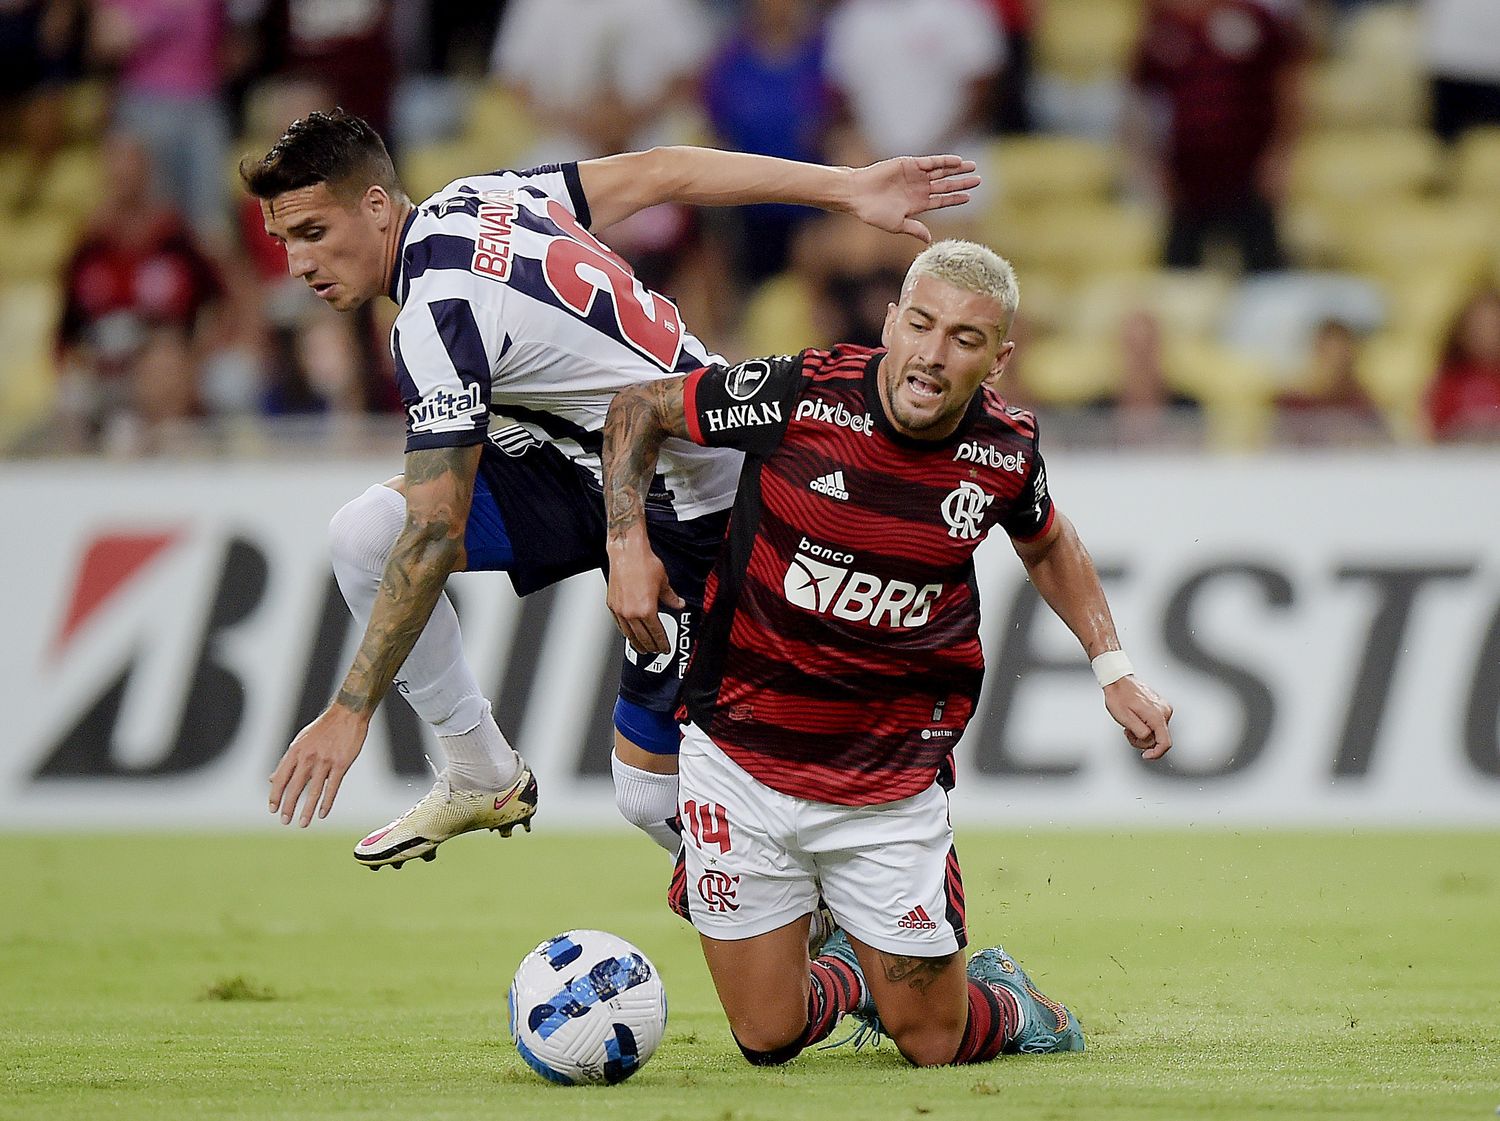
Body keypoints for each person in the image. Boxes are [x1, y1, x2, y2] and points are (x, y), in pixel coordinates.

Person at [243, 109, 981, 868]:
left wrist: (349, 709)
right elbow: (663, 171)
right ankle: (480, 771)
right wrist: (847, 187)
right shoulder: (480, 198)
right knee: (366, 535)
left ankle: (836, 931)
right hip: (598, 465)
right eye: (283, 242)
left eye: (312, 233)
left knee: (648, 795)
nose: (299, 265)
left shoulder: (435, 318)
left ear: (374, 206)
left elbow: (436, 531)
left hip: (701, 494)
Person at [599, 239, 1173, 1067]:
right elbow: (637, 408)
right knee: (768, 1034)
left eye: (966, 340)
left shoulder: (1004, 452)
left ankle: (1005, 1003)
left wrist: (1112, 667)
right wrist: (626, 543)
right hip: (740, 757)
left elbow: (1049, 543)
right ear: (892, 319)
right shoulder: (799, 393)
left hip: (886, 783)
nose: (934, 356)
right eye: (922, 324)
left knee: (934, 1041)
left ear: (998, 358)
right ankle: (852, 977)